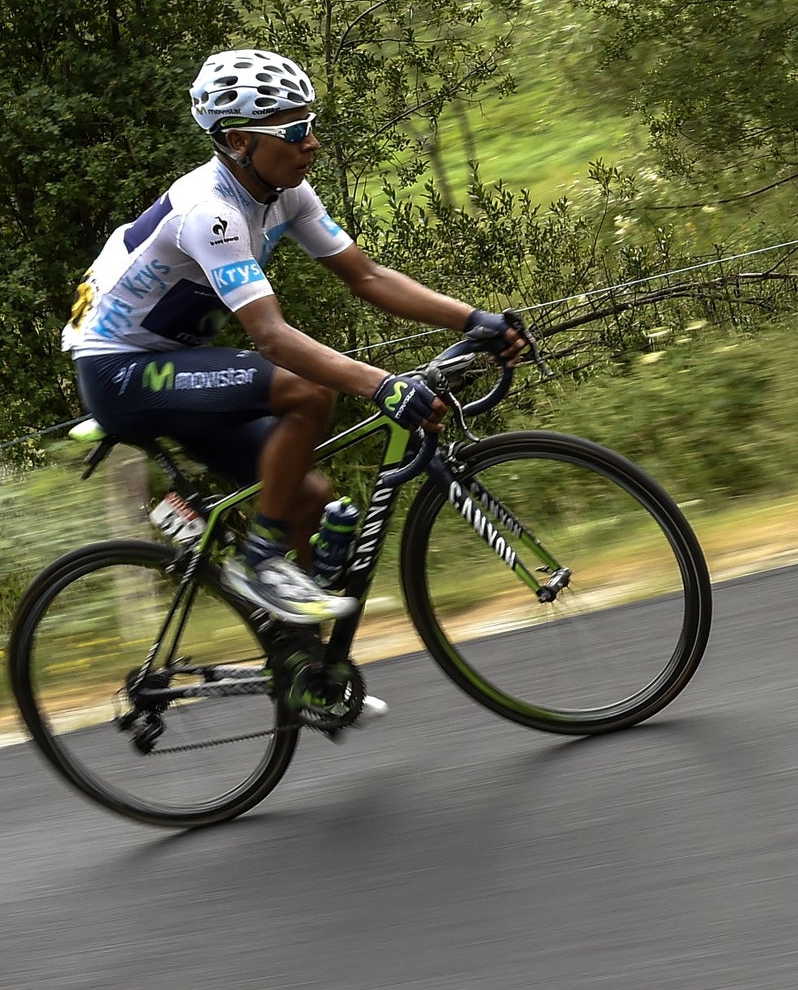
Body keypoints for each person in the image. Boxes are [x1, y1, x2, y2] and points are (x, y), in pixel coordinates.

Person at [63, 49, 525, 638]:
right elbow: (273, 338)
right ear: (238, 142)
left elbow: (368, 277)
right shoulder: (211, 211)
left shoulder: (287, 194)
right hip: (120, 372)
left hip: (175, 363)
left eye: (312, 124)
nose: (312, 143)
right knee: (306, 392)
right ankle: (261, 561)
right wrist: (383, 385)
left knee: (307, 495)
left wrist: (476, 322)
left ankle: (302, 659)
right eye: (295, 129)